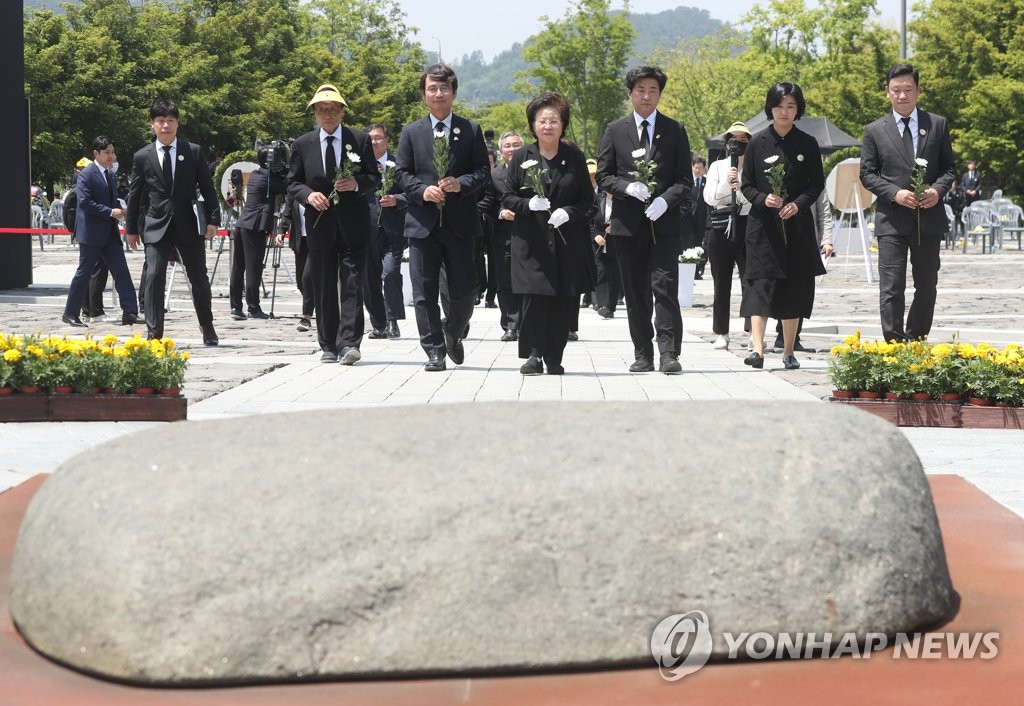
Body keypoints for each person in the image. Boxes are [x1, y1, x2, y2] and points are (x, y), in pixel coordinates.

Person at [596, 65, 693, 374]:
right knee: (636, 291)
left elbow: (684, 180)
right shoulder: (615, 130)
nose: (646, 96)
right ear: (630, 93)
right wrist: (626, 188)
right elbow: (603, 175)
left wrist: (666, 200)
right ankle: (642, 353)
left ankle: (669, 352)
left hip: (663, 226)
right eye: (640, 90)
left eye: (653, 90)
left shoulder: (675, 129)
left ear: (660, 94)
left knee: (664, 287)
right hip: (627, 225)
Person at [395, 63, 490, 372]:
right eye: (432, 88)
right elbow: (402, 174)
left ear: (454, 93)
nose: (438, 94)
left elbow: (482, 172)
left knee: (466, 290)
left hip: (460, 223)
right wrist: (422, 191)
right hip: (422, 224)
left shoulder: (471, 130)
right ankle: (434, 350)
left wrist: (461, 184)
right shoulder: (411, 132)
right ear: (424, 94)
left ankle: (453, 331)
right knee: (423, 292)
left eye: (444, 88)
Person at [860, 63, 956, 342]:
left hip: (929, 218)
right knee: (891, 286)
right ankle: (893, 344)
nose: (902, 96)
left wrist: (937, 191)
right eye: (896, 90)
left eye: (908, 90)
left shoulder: (937, 124)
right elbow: (867, 174)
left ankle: (916, 338)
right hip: (891, 219)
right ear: (887, 92)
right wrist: (894, 193)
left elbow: (949, 169)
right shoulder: (875, 130)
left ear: (918, 91)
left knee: (927, 285)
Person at [502, 91, 594, 375]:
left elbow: (587, 202)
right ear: (533, 125)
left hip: (566, 242)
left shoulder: (574, 157)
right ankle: (533, 354)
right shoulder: (521, 157)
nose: (548, 126)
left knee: (562, 300)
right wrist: (528, 204)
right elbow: (506, 196)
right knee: (535, 298)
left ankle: (555, 355)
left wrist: (568, 212)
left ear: (562, 124)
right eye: (542, 121)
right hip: (531, 241)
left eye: (554, 120)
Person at [286, 84, 378, 364]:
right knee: (323, 284)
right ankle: (327, 342)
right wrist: (308, 195)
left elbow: (374, 177)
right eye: (322, 110)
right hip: (319, 224)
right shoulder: (302, 144)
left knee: (352, 283)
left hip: (353, 224)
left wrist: (356, 183)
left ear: (342, 112)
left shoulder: (359, 140)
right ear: (315, 113)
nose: (328, 114)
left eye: (333, 109)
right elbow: (291, 182)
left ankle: (349, 342)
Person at [739, 82, 826, 370]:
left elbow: (816, 184)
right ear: (770, 108)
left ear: (798, 109)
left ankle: (788, 351)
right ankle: (758, 350)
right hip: (763, 228)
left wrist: (798, 204)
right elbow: (747, 185)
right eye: (779, 106)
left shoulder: (808, 144)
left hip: (797, 228)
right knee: (760, 286)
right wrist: (764, 199)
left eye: (791, 106)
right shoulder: (756, 143)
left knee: (794, 287)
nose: (785, 112)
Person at [126, 99, 221, 345]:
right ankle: (154, 332)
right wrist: (132, 229)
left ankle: (208, 328)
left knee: (199, 278)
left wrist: (213, 219)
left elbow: (208, 188)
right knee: (154, 275)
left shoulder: (193, 151)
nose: (165, 125)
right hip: (156, 225)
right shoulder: (142, 156)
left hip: (188, 224)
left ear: (177, 123)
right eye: (160, 121)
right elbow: (135, 194)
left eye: (170, 120)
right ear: (153, 124)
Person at [62, 136, 140, 328]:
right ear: (96, 153)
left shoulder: (110, 175)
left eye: (113, 152)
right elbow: (85, 203)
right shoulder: (86, 174)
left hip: (110, 232)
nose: (112, 156)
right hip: (91, 233)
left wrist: (121, 214)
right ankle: (70, 313)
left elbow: (112, 203)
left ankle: (130, 312)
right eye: (107, 153)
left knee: (121, 270)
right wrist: (110, 212)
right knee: (84, 273)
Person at [703, 121, 752, 350]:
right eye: (734, 140)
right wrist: (727, 182)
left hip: (747, 223)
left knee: (749, 280)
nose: (738, 145)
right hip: (721, 225)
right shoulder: (717, 167)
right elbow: (709, 197)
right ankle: (721, 331)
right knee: (721, 282)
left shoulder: (754, 166)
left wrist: (742, 186)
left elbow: (758, 198)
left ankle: (753, 330)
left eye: (743, 141)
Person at [229, 145, 287, 320]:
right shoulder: (270, 178)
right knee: (254, 268)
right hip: (254, 227)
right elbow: (289, 186)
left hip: (242, 225)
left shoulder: (256, 174)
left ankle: (236, 307)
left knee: (238, 268)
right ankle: (253, 308)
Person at [363, 123, 407, 340]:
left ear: (387, 140)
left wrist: (396, 199)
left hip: (393, 231)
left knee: (390, 273)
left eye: (378, 138)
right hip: (367, 230)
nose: (374, 142)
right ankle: (378, 323)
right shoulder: (358, 165)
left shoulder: (399, 164)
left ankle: (393, 321)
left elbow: (413, 193)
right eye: (370, 138)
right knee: (369, 279)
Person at [482, 131, 525, 340]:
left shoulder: (533, 171)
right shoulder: (495, 175)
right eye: (507, 146)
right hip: (503, 236)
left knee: (528, 280)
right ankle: (510, 324)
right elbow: (488, 204)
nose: (512, 149)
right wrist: (500, 212)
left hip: (529, 236)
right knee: (505, 282)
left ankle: (528, 321)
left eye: (516, 145)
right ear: (501, 151)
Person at [276, 193, 315, 332]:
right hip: (300, 241)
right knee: (300, 281)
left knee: (307, 278)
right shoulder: (295, 192)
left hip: (317, 240)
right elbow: (287, 214)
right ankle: (316, 303)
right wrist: (281, 231)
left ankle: (306, 318)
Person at [589, 158, 621, 319]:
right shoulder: (597, 199)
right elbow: (590, 223)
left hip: (616, 245)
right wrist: (596, 237)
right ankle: (601, 304)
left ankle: (610, 306)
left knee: (614, 276)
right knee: (600, 274)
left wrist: (616, 228)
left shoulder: (622, 202)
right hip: (599, 245)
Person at [689, 156, 709, 279]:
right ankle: (688, 270)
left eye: (700, 168)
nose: (698, 170)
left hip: (701, 219)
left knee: (699, 245)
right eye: (696, 168)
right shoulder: (687, 181)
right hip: (688, 219)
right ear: (692, 167)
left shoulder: (706, 182)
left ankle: (697, 270)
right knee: (687, 244)